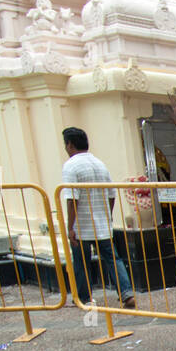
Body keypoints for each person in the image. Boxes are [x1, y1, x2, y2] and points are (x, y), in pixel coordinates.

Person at [62, 127, 136, 309]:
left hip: (82, 224)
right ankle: (126, 293)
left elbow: (72, 200)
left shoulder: (71, 166)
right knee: (113, 259)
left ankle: (84, 298)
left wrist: (70, 227)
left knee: (81, 262)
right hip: (102, 224)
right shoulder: (100, 164)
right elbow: (111, 194)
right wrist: (107, 215)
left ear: (70, 145)